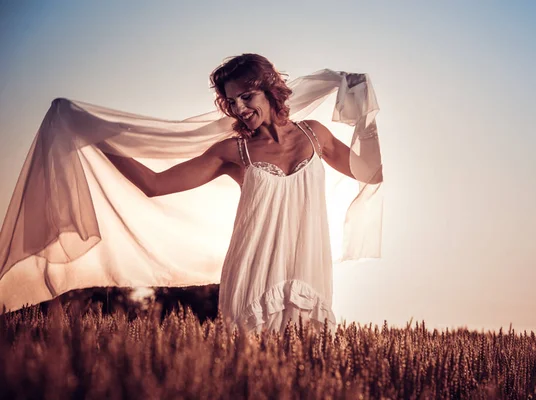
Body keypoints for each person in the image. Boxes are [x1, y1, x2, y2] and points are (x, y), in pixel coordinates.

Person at [104, 54, 359, 333]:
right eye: (231, 101)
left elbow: (370, 173)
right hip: (254, 271)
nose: (239, 108)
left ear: (271, 90)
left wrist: (364, 110)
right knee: (249, 364)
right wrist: (98, 138)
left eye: (246, 96)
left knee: (308, 361)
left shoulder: (314, 135)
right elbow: (154, 184)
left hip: (308, 266)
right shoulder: (233, 152)